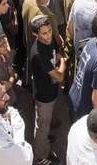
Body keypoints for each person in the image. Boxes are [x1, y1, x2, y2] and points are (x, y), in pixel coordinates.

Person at [29, 15, 66, 165]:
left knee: (45, 122)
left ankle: (44, 139)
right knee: (42, 126)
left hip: (50, 90)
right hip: (44, 96)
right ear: (35, 35)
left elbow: (54, 54)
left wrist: (56, 56)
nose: (48, 35)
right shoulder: (38, 53)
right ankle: (41, 155)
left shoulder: (48, 42)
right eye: (44, 33)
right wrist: (62, 61)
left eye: (50, 31)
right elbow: (60, 77)